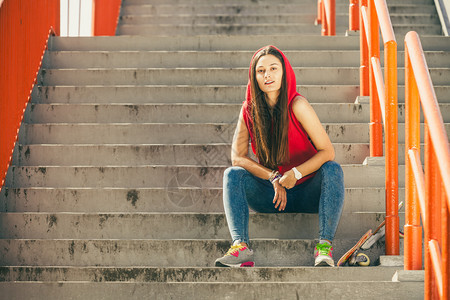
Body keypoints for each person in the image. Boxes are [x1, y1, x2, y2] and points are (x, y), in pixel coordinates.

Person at [214, 45, 345, 268]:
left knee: (332, 169)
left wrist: (295, 173)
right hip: (272, 196)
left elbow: (327, 151)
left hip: (307, 192)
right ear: (254, 77)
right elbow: (238, 158)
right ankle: (241, 247)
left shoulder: (298, 105)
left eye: (273, 68)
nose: (267, 75)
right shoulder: (249, 110)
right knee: (232, 174)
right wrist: (273, 177)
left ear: (284, 72)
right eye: (261, 71)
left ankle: (324, 246)